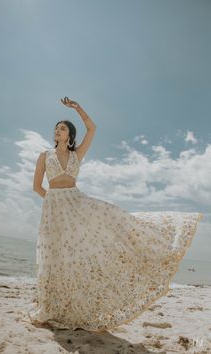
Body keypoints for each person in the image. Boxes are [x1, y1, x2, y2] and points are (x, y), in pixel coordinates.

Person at [25, 96, 203, 333]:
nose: (58, 130)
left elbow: (92, 128)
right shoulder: (44, 156)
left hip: (77, 203)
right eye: (56, 128)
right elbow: (37, 186)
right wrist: (54, 203)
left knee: (108, 227)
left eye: (63, 128)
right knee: (55, 256)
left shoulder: (77, 155)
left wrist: (77, 108)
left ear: (70, 135)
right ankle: (51, 307)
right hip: (54, 208)